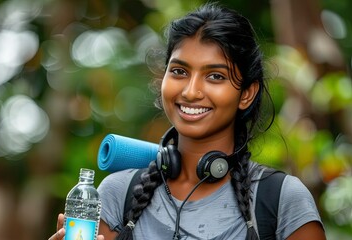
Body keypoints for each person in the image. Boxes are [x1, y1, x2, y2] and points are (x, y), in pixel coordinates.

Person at [50, 2, 325, 240]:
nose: (191, 91)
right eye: (179, 71)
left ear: (247, 93)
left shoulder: (280, 200)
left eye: (215, 76)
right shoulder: (117, 194)